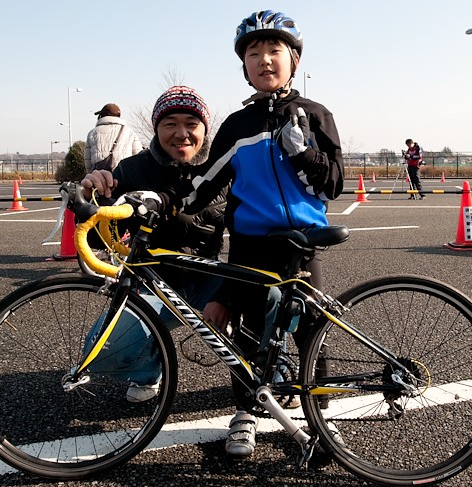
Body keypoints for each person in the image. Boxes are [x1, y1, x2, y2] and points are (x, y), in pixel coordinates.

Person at [127, 11, 344, 458]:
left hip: (303, 245)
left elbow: (334, 183)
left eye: (274, 51)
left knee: (311, 333)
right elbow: (201, 184)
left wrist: (303, 153)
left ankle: (320, 417)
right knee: (246, 336)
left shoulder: (317, 115)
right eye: (254, 53)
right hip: (250, 245)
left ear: (294, 61)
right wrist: (160, 200)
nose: (264, 60)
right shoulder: (237, 126)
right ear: (244, 65)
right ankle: (246, 412)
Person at [80, 86, 228, 403]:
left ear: (205, 128)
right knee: (101, 352)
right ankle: (148, 370)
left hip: (209, 277)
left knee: (269, 296)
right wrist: (92, 197)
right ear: (156, 127)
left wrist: (230, 298)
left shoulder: (224, 169)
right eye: (170, 123)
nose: (181, 133)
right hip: (153, 283)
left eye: (191, 123)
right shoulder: (132, 170)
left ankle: (271, 371)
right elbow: (95, 237)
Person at [84, 103, 143, 173]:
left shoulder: (92, 133)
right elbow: (138, 155)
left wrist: (91, 173)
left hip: (101, 176)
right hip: (124, 175)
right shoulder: (129, 132)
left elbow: (88, 160)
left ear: (102, 116)